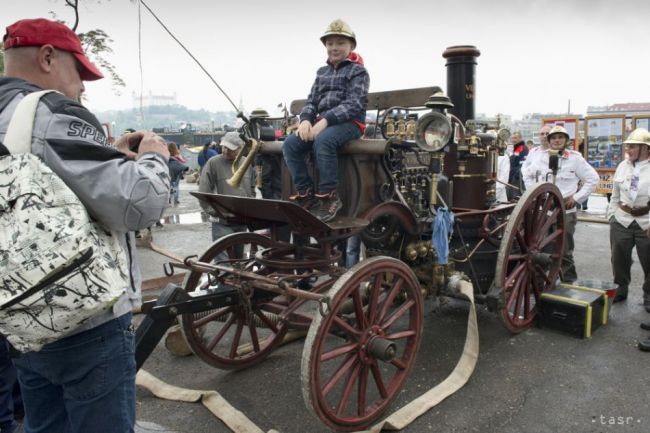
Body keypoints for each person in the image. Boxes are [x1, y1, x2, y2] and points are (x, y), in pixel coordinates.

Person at [0, 18, 171, 433]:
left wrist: (105, 155)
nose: (82, 87)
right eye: (79, 72)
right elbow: (136, 204)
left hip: (20, 316)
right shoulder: (50, 112)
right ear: (47, 57)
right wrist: (153, 157)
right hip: (82, 318)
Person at [282, 18, 370, 222]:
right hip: (323, 123)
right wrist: (305, 120)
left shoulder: (358, 71)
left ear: (351, 46)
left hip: (350, 123)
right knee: (290, 145)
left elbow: (354, 104)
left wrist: (324, 121)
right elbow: (312, 101)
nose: (334, 48)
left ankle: (329, 196)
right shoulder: (322, 72)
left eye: (340, 43)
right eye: (330, 43)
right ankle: (306, 194)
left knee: (324, 140)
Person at [522, 125, 599, 283]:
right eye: (554, 138)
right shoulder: (540, 157)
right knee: (539, 247)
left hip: (565, 210)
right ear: (549, 141)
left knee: (565, 249)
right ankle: (538, 282)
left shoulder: (575, 158)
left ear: (566, 141)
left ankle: (568, 281)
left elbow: (593, 179)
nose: (557, 140)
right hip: (544, 209)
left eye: (560, 137)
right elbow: (527, 174)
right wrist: (535, 194)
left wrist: (577, 198)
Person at [607, 128, 650, 310]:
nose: (628, 150)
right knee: (619, 258)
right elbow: (615, 194)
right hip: (622, 219)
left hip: (646, 221)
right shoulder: (623, 165)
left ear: (645, 149)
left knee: (649, 261)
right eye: (628, 146)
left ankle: (648, 294)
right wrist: (611, 216)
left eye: (632, 147)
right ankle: (621, 288)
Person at [199, 131, 254, 251]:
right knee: (223, 261)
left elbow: (252, 189)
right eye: (224, 147)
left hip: (242, 220)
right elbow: (203, 189)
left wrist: (250, 212)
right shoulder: (214, 162)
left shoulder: (247, 163)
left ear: (240, 149)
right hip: (222, 221)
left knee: (238, 261)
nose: (225, 151)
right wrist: (214, 211)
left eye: (230, 148)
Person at [507, 131, 529, 200]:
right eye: (512, 138)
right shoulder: (515, 149)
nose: (513, 140)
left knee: (515, 199)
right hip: (511, 177)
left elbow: (522, 164)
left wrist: (515, 176)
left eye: (515, 138)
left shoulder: (523, 148)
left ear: (520, 138)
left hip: (517, 179)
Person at [167, 142, 189, 206]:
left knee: (170, 186)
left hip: (169, 171)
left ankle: (169, 200)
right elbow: (183, 162)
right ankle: (176, 200)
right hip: (177, 171)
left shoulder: (166, 154)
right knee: (176, 186)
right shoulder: (177, 154)